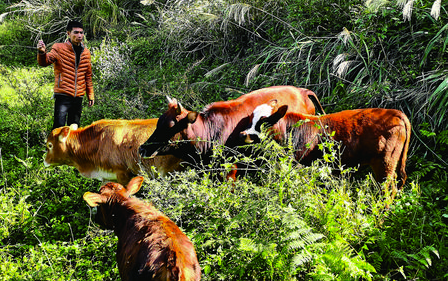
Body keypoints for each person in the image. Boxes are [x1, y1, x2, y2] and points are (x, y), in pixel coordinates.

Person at [37, 20, 94, 130]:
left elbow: (88, 75)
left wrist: (90, 94)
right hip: (63, 95)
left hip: (78, 97)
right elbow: (45, 62)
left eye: (81, 33)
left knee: (74, 129)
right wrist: (42, 52)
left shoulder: (86, 52)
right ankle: (55, 147)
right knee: (59, 128)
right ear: (68, 33)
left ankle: (70, 148)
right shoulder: (59, 48)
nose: (79, 35)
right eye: (76, 32)